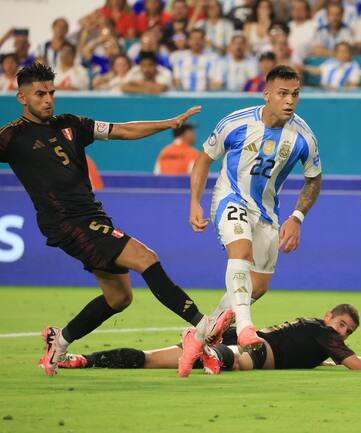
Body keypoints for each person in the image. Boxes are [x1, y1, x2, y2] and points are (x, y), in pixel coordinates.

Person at [0, 62, 227, 377]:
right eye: (40, 94)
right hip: (66, 222)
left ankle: (59, 340)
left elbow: (122, 129)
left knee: (119, 297)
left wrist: (169, 123)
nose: (49, 99)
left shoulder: (70, 124)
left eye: (52, 92)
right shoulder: (12, 137)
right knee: (146, 258)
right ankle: (204, 328)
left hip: (92, 215)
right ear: (22, 97)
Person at [187, 65, 322, 377]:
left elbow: (314, 180)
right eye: (283, 93)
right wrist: (194, 201)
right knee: (241, 254)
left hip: (266, 212)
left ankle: (198, 336)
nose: (290, 100)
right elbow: (204, 160)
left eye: (296, 94)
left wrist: (297, 217)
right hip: (229, 197)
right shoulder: (235, 123)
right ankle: (246, 328)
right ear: (267, 95)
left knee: (257, 286)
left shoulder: (303, 137)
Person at [54, 304, 361, 373]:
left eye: (348, 331)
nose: (342, 332)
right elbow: (356, 365)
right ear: (329, 317)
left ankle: (84, 359)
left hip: (241, 334)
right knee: (241, 361)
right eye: (342, 324)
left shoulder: (314, 327)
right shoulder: (325, 336)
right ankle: (215, 353)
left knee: (152, 358)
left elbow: (331, 358)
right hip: (255, 349)